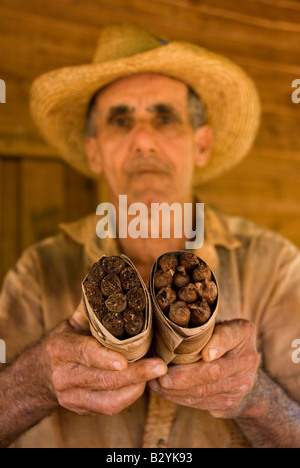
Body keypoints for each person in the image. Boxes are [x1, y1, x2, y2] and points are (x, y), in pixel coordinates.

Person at [0, 23, 300, 449]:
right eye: (121, 121)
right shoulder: (38, 273)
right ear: (94, 150)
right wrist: (34, 381)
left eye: (165, 118)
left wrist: (257, 399)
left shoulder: (275, 268)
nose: (143, 140)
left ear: (201, 144)